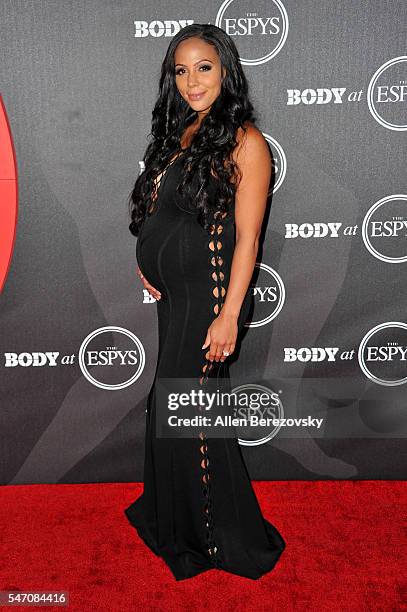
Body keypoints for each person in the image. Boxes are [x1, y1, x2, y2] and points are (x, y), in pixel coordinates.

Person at [124, 23, 286, 581]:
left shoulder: (246, 141)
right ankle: (177, 520)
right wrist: (148, 262)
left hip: (208, 296)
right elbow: (161, 214)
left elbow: (248, 239)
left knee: (188, 412)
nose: (192, 81)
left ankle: (218, 538)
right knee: (172, 408)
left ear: (227, 72)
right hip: (175, 297)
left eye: (204, 67)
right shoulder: (181, 131)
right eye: (181, 70)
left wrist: (229, 315)